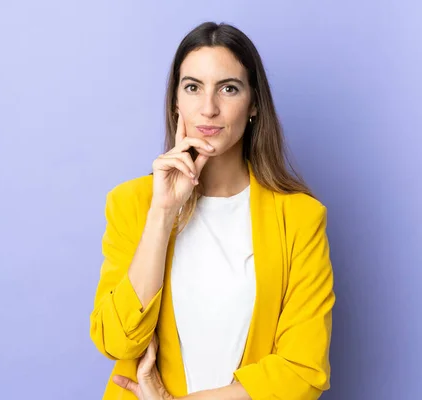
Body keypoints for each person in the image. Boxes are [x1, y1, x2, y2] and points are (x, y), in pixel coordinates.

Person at [90, 21, 335, 400]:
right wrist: (162, 212)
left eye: (229, 88)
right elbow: (117, 341)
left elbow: (303, 371)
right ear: (176, 102)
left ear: (254, 103)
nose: (209, 108)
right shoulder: (133, 204)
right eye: (192, 87)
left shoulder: (300, 218)